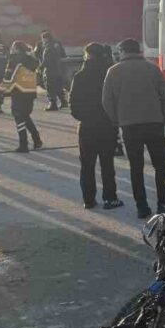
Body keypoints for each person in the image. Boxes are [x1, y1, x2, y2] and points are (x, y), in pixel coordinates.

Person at [102, 38, 165, 219]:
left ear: (123, 51)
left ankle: (142, 206)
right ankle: (163, 204)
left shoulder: (113, 72)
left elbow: (107, 101)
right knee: (160, 166)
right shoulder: (153, 69)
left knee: (136, 167)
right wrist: (164, 117)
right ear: (138, 51)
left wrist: (117, 120)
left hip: (129, 126)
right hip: (154, 124)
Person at [69, 43, 123, 211]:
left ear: (87, 55)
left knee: (87, 165)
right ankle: (110, 198)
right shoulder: (109, 74)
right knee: (107, 164)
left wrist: (83, 117)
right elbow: (117, 99)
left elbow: (73, 103)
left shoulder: (79, 76)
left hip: (86, 127)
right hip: (107, 126)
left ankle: (89, 200)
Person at [2, 42, 42, 153]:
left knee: (19, 118)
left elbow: (8, 77)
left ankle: (23, 144)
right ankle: (36, 139)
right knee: (25, 115)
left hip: (18, 92)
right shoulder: (32, 60)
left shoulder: (13, 60)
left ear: (15, 49)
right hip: (30, 92)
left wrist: (1, 91)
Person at [36, 31, 68, 110]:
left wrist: (40, 67)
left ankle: (53, 104)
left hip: (50, 70)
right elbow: (64, 55)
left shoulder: (48, 47)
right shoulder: (57, 45)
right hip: (59, 69)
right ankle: (63, 101)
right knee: (58, 86)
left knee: (50, 87)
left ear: (45, 38)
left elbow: (47, 60)